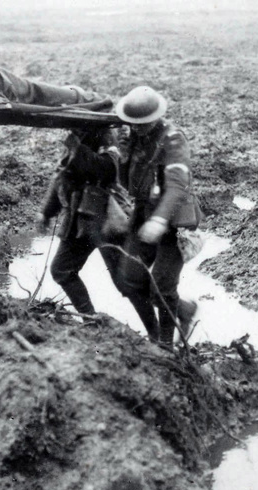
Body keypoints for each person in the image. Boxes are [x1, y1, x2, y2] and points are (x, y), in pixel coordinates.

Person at [72, 86, 200, 348]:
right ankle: (172, 320)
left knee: (162, 288)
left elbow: (177, 185)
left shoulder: (173, 139)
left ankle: (165, 344)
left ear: (155, 117)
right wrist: (120, 146)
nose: (137, 128)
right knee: (129, 281)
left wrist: (160, 220)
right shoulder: (135, 138)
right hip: (143, 217)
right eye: (133, 124)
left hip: (174, 223)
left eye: (142, 124)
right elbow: (123, 177)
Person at [34, 126, 130, 315]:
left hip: (104, 217)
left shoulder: (105, 134)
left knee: (127, 282)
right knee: (62, 270)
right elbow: (63, 175)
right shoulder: (77, 135)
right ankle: (90, 319)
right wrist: (46, 212)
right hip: (79, 221)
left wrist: (78, 149)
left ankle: (178, 313)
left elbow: (107, 170)